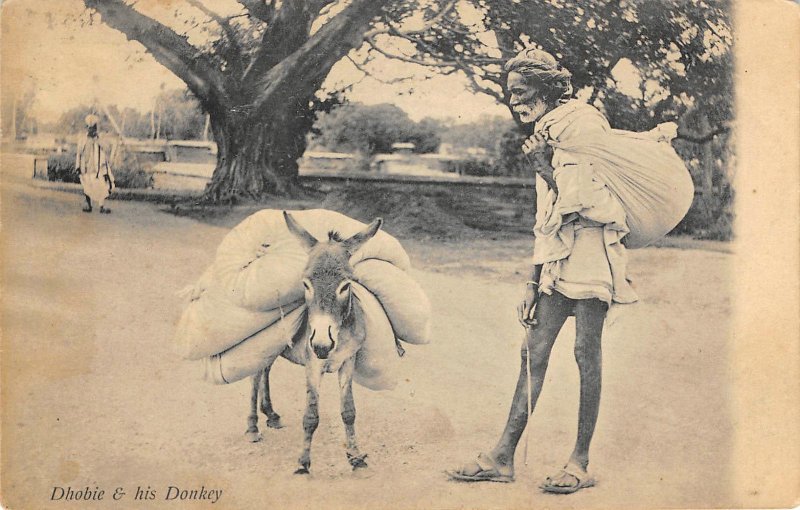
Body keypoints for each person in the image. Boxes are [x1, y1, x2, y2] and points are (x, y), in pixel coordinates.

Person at [446, 48, 638, 494]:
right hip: (558, 257)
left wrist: (541, 165)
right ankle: (501, 457)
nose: (516, 102)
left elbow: (583, 199)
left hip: (592, 250)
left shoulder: (584, 124)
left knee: (585, 352)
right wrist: (532, 281)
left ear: (547, 87)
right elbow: (545, 214)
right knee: (533, 349)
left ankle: (581, 461)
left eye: (521, 91)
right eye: (511, 94)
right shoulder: (544, 130)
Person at [76, 114, 115, 213]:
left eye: (93, 128)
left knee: (100, 186)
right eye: (89, 128)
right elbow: (79, 154)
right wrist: (77, 166)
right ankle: (89, 205)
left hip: (97, 168)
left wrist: (97, 140)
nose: (91, 130)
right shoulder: (82, 139)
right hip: (86, 167)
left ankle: (101, 206)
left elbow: (107, 148)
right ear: (87, 128)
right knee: (87, 185)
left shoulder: (99, 139)